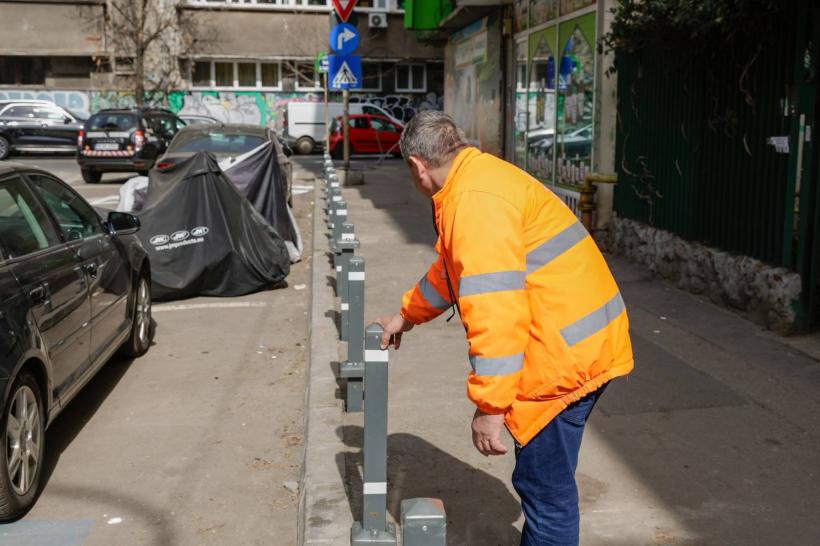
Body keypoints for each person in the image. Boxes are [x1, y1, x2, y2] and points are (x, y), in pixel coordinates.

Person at [376, 111, 634, 546]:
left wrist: (490, 407)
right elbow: (452, 272)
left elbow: (495, 313)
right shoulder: (481, 177)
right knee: (546, 484)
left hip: (562, 359)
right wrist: (406, 314)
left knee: (546, 493)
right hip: (580, 340)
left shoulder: (473, 204)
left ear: (418, 166)